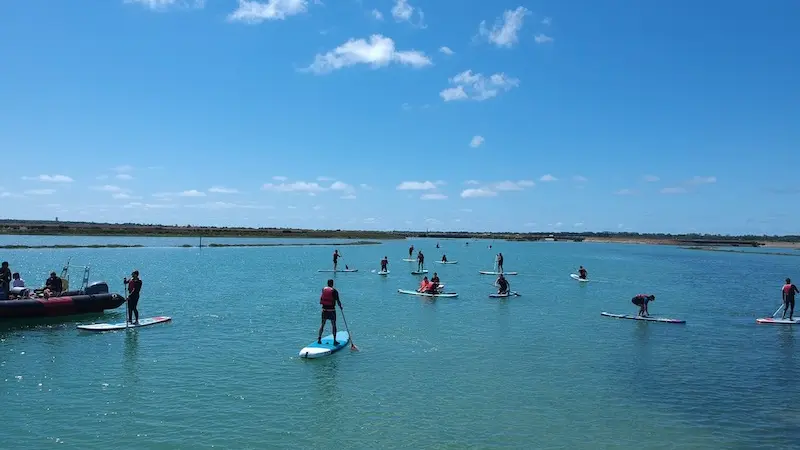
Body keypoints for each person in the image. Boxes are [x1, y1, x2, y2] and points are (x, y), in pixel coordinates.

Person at [318, 279, 343, 345]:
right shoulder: (334, 291)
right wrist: (340, 307)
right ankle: (334, 341)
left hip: (324, 310)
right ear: (332, 284)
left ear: (327, 283)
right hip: (331, 311)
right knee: (333, 325)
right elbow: (338, 301)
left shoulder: (323, 289)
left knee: (322, 325)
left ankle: (319, 339)